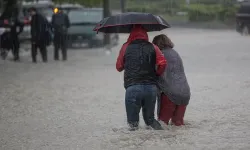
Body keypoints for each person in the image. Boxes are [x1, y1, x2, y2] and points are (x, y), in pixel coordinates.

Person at [116, 25, 167, 131]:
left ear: (131, 34)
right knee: (151, 121)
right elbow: (163, 63)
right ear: (145, 34)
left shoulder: (126, 47)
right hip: (151, 88)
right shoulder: (153, 47)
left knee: (133, 125)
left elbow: (119, 67)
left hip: (133, 88)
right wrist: (156, 74)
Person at [152, 34, 191, 126]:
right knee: (178, 124)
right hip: (185, 92)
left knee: (162, 124)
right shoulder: (175, 53)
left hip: (170, 93)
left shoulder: (160, 54)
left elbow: (156, 71)